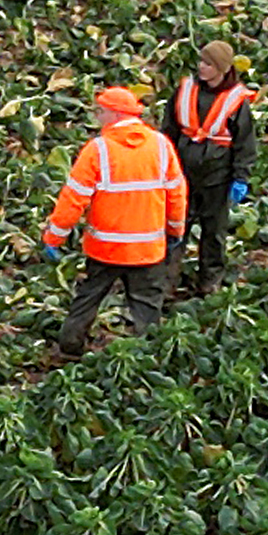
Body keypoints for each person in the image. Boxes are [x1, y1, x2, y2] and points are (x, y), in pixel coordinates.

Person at [43, 83, 187, 357]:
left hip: (105, 248)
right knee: (146, 305)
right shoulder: (160, 146)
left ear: (115, 114)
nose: (97, 118)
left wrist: (54, 237)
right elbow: (177, 193)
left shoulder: (98, 150)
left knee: (89, 298)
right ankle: (149, 356)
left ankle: (70, 346)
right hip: (148, 249)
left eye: (100, 112)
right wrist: (175, 230)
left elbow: (73, 199)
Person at [166, 38, 267, 292]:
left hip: (217, 176)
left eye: (208, 63)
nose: (201, 67)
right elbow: (168, 130)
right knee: (176, 227)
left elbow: (245, 143)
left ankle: (209, 283)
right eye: (201, 61)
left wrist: (240, 178)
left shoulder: (236, 100)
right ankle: (166, 281)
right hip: (183, 171)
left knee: (214, 233)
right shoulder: (185, 89)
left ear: (222, 69)